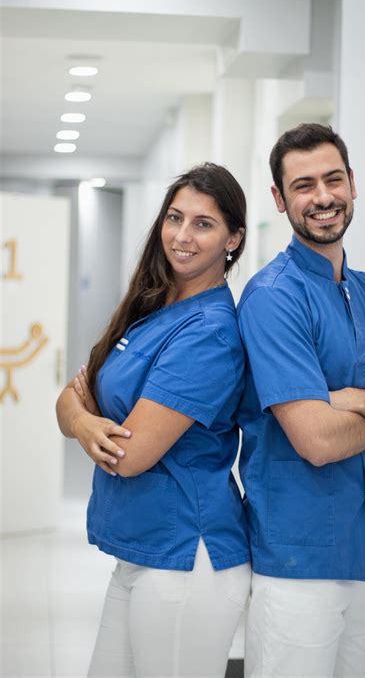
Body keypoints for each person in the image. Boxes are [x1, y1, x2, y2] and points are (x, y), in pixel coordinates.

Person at [237, 124, 365, 678]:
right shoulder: (273, 298)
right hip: (295, 563)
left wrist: (354, 398)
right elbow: (317, 440)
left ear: (353, 184)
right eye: (303, 185)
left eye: (333, 179)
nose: (323, 196)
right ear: (280, 199)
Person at [56, 163, 251, 678]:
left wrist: (86, 417)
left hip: (187, 555)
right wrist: (83, 422)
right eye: (174, 217)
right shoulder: (151, 311)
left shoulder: (208, 333)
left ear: (234, 238)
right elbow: (68, 400)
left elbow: (129, 454)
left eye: (203, 224)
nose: (182, 236)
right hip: (142, 553)